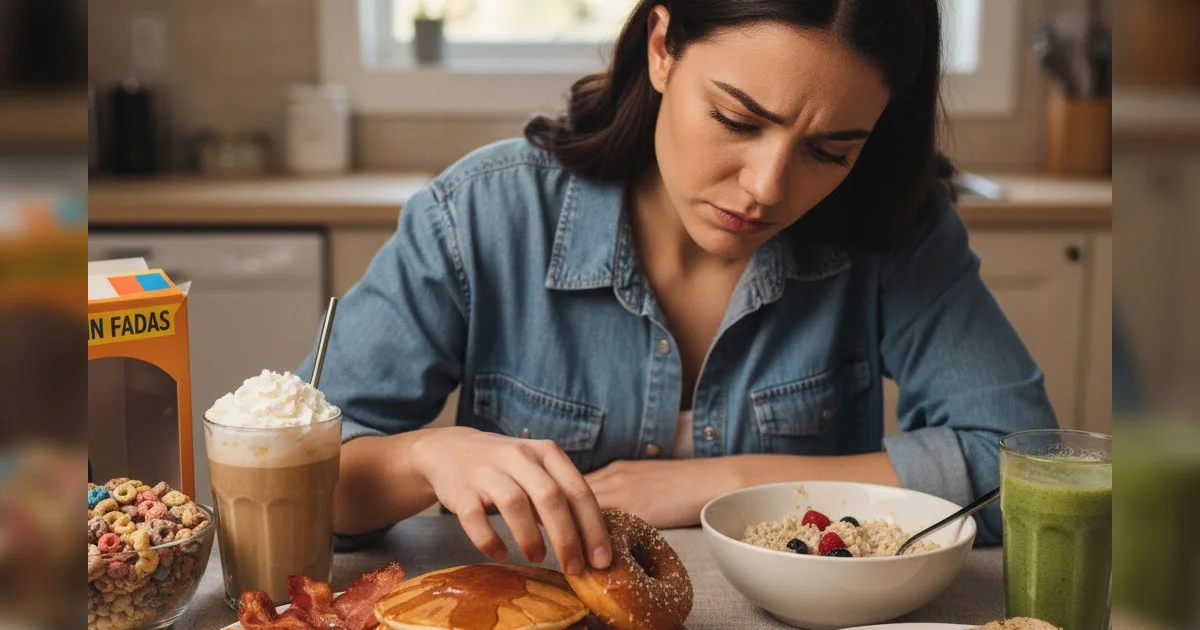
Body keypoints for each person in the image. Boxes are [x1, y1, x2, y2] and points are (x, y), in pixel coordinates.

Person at [296, 0, 1057, 576]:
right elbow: (297, 485)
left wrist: (716, 484)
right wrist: (430, 455)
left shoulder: (898, 229)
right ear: (662, 48)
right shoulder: (481, 217)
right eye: (735, 119)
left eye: (829, 151)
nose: (766, 187)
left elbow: (1021, 465)